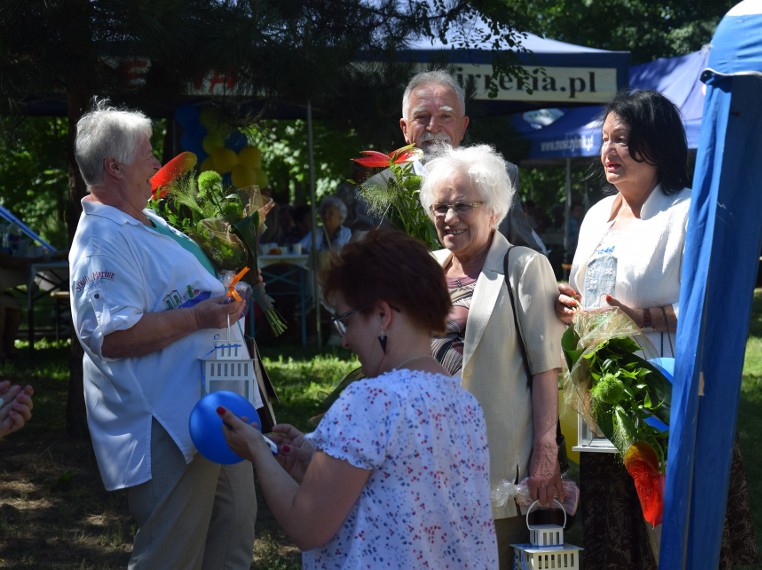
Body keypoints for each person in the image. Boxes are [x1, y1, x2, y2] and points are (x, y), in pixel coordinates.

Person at [555, 90, 758, 568]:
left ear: (658, 145)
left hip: (670, 400)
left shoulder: (691, 213)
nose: (608, 151)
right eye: (604, 139)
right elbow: (586, 290)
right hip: (604, 404)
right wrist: (567, 305)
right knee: (614, 533)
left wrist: (644, 317)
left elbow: (717, 309)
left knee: (673, 532)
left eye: (622, 139)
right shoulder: (594, 217)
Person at [219, 230, 497, 568]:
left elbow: (307, 526)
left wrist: (258, 451)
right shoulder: (465, 403)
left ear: (383, 315)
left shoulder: (372, 399)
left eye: (345, 320)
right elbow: (394, 491)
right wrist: (313, 462)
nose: (346, 340)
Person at [68, 99, 257, 568]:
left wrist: (229, 290)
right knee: (173, 553)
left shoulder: (148, 220)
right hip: (167, 423)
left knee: (233, 537)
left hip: (216, 402)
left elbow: (183, 288)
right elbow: (112, 337)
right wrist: (198, 319)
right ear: (114, 167)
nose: (157, 162)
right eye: (147, 153)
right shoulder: (101, 241)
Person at [419, 144, 565, 569]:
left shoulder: (524, 266)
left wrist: (545, 450)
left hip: (496, 463)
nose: (449, 217)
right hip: (429, 456)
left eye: (463, 205)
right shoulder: (426, 269)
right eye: (440, 206)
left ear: (494, 211)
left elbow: (546, 366)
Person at [355, 70, 543, 252]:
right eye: (421, 117)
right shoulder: (378, 189)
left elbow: (524, 252)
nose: (433, 127)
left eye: (445, 116)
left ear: (463, 126)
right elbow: (358, 267)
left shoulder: (500, 176)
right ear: (404, 129)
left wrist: (546, 283)